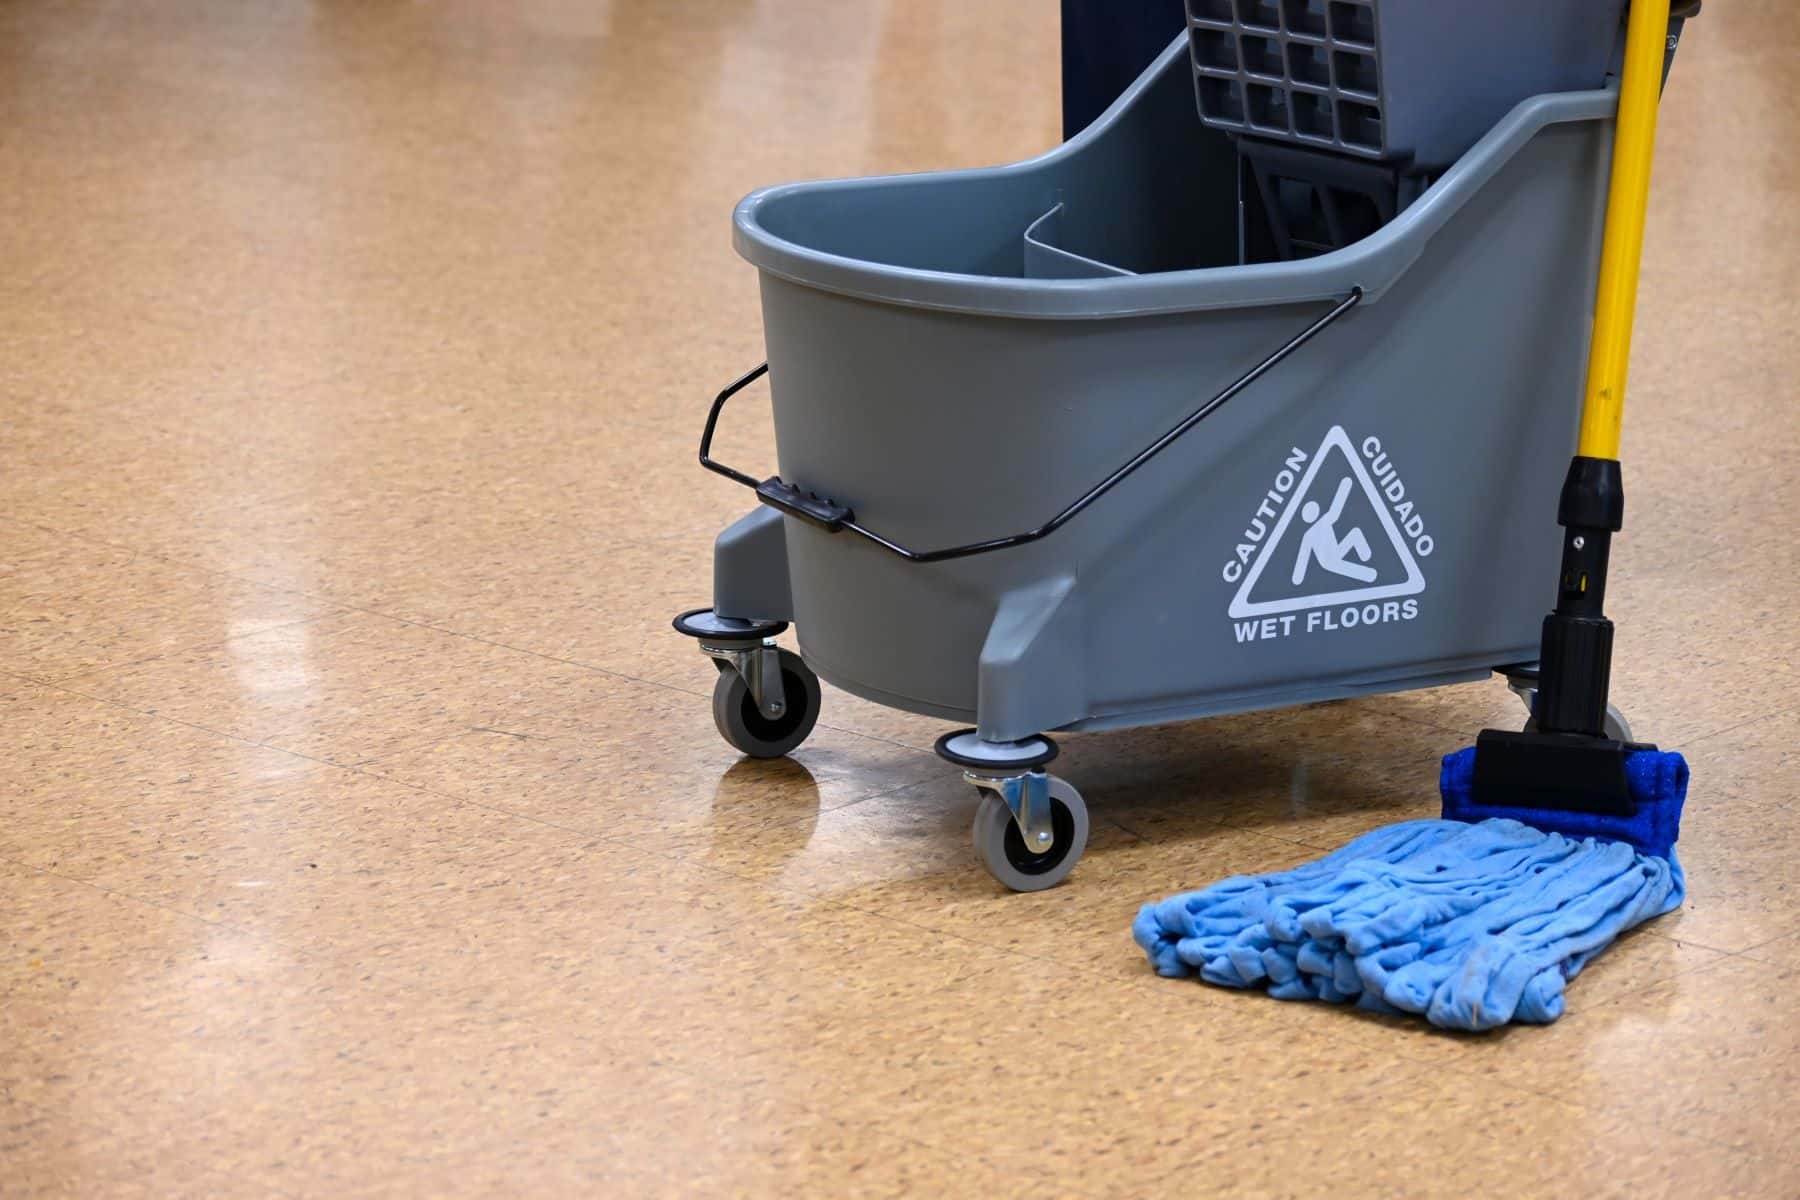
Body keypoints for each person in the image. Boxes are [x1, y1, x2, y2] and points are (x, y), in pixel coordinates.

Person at [1292, 477, 1377, 585]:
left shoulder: (1324, 521)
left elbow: (1335, 510)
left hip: (1337, 552)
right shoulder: (1309, 535)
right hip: (1329, 562)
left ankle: (1366, 556)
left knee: (1355, 533)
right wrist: (1297, 578)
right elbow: (1302, 560)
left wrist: (1344, 486)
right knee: (1362, 572)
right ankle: (1370, 574)